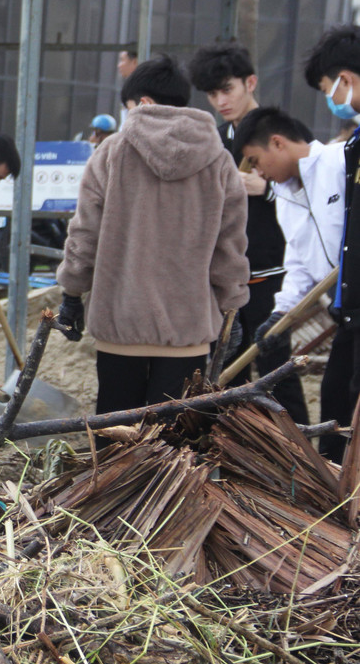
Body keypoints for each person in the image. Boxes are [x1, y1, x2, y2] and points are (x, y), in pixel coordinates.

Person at [56, 55, 249, 417]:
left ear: (143, 103)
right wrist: (231, 307)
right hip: (188, 329)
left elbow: (85, 234)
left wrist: (71, 293)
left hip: (120, 323)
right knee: (175, 439)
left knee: (117, 435)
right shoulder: (219, 161)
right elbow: (230, 246)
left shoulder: (111, 153)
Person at [187, 43, 308, 421]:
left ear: (250, 83)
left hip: (272, 274)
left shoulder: (283, 133)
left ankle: (298, 446)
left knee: (277, 368)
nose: (221, 101)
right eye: (212, 94)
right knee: (225, 373)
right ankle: (236, 447)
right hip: (225, 278)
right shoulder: (214, 141)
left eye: (228, 90)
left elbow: (315, 197)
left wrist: (267, 190)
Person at [236, 108, 343, 433]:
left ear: (278, 143)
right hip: (342, 308)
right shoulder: (284, 193)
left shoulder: (339, 162)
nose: (258, 171)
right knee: (336, 396)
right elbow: (298, 259)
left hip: (352, 293)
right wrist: (280, 314)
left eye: (256, 160)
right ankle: (329, 465)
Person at [303, 24, 360, 459]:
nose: (332, 98)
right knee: (339, 393)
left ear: (345, 79)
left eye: (328, 89)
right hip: (352, 308)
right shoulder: (355, 143)